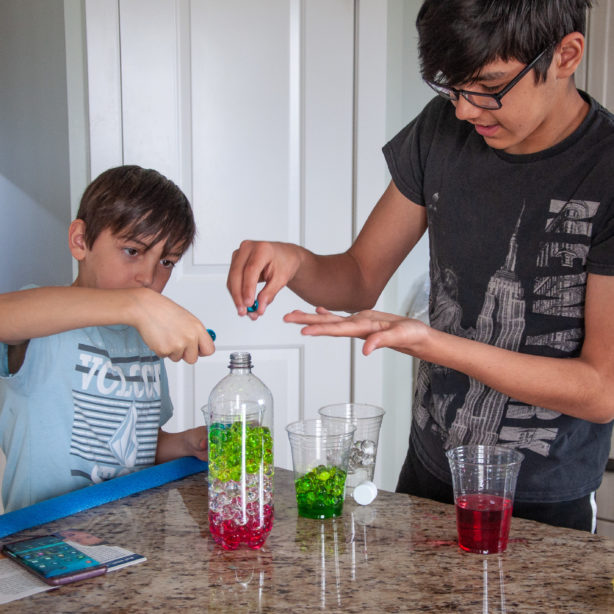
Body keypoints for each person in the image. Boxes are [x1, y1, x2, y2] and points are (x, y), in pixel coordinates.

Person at [226, 0, 614, 532]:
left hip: (542, 501)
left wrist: (428, 341)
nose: (465, 111)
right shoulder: (442, 129)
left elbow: (600, 390)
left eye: (488, 86)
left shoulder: (607, 171)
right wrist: (295, 261)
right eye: (451, 88)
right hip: (430, 477)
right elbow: (359, 276)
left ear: (567, 55)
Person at [0, 165, 215, 513]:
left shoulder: (145, 337)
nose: (149, 276)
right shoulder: (41, 322)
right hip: (44, 543)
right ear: (80, 240)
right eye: (133, 250)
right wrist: (137, 304)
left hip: (131, 536)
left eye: (166, 261)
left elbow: (134, 446)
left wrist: (184, 443)